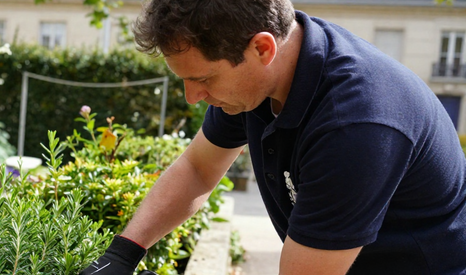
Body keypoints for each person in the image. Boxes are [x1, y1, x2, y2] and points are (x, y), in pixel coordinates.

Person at [80, 0, 466, 274]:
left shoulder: (356, 123)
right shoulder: (257, 84)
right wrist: (124, 252)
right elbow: (198, 169)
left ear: (262, 48)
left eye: (202, 79)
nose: (193, 96)